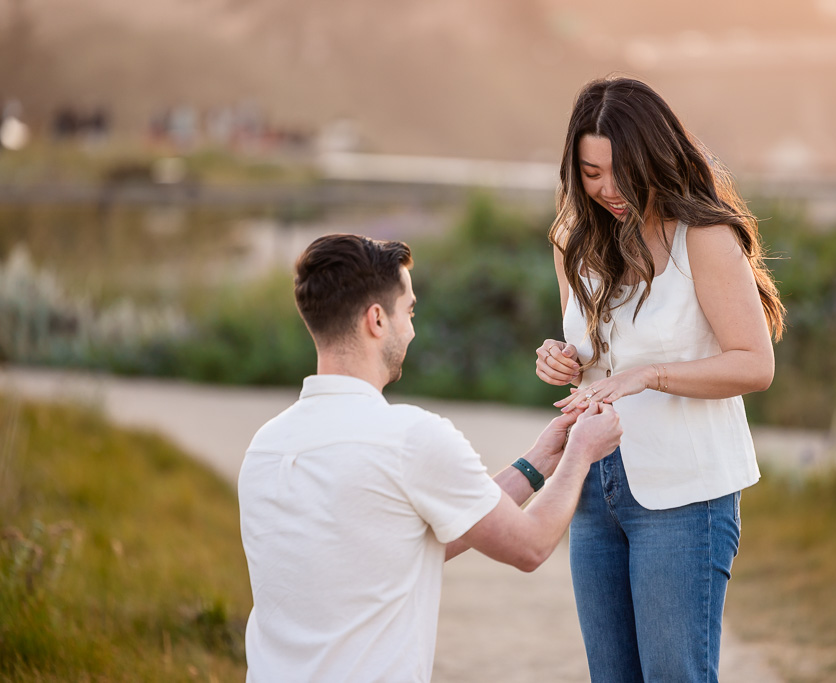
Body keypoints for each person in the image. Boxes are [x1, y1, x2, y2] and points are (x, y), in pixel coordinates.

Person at [238, 234, 621, 682]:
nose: (413, 328)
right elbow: (531, 546)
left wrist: (538, 462)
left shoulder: (266, 445)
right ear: (376, 319)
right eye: (410, 311)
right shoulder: (410, 438)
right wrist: (580, 451)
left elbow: (397, 548)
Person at [535, 77, 786, 683]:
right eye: (591, 173)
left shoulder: (704, 237)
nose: (607, 189)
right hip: (593, 488)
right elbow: (591, 349)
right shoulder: (572, 239)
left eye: (621, 172)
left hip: (686, 497)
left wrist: (651, 375)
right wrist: (559, 357)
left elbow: (755, 363)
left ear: (655, 155)